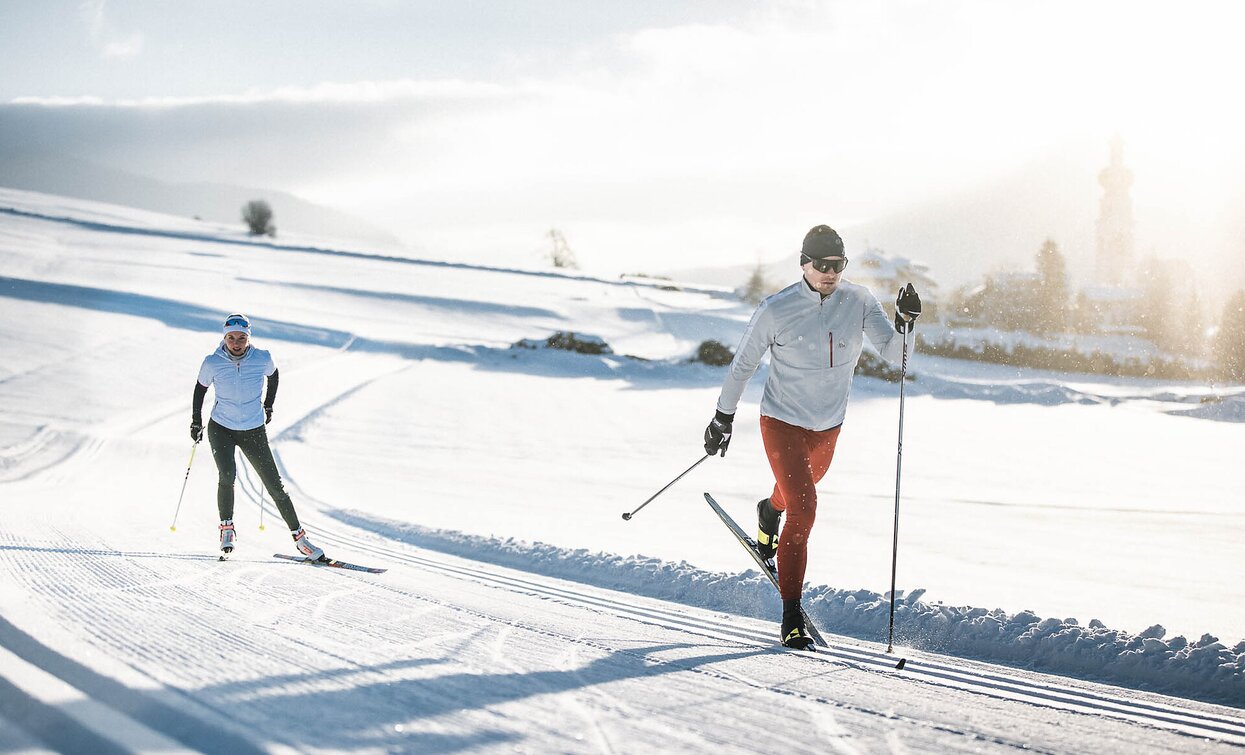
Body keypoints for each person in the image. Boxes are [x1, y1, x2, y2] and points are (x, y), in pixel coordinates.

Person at [703, 225, 921, 650]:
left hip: (829, 426)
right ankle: (791, 616)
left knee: (794, 496)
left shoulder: (858, 301)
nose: (829, 273)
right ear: (803, 263)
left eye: (837, 265)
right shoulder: (776, 309)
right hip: (781, 421)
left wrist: (905, 323)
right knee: (805, 508)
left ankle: (769, 512)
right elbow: (741, 366)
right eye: (821, 265)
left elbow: (897, 355)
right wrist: (721, 419)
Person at [191, 313, 325, 560]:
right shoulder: (212, 362)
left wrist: (269, 405)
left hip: (253, 429)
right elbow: (200, 389)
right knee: (227, 474)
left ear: (248, 338)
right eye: (231, 337)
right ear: (224, 338)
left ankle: (300, 539)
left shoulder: (262, 358)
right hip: (221, 427)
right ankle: (227, 529)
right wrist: (196, 421)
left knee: (274, 485)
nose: (236, 342)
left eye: (241, 338)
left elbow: (273, 376)